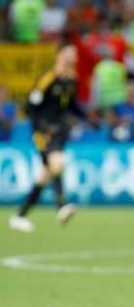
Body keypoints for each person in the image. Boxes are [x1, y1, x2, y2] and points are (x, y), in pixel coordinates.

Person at [9, 45, 85, 233]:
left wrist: (90, 117)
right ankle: (61, 206)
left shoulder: (71, 80)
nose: (74, 56)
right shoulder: (48, 78)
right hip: (43, 133)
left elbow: (72, 106)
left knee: (44, 176)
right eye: (69, 53)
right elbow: (30, 107)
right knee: (57, 163)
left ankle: (19, 216)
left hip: (59, 132)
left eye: (74, 54)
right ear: (60, 56)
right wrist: (42, 128)